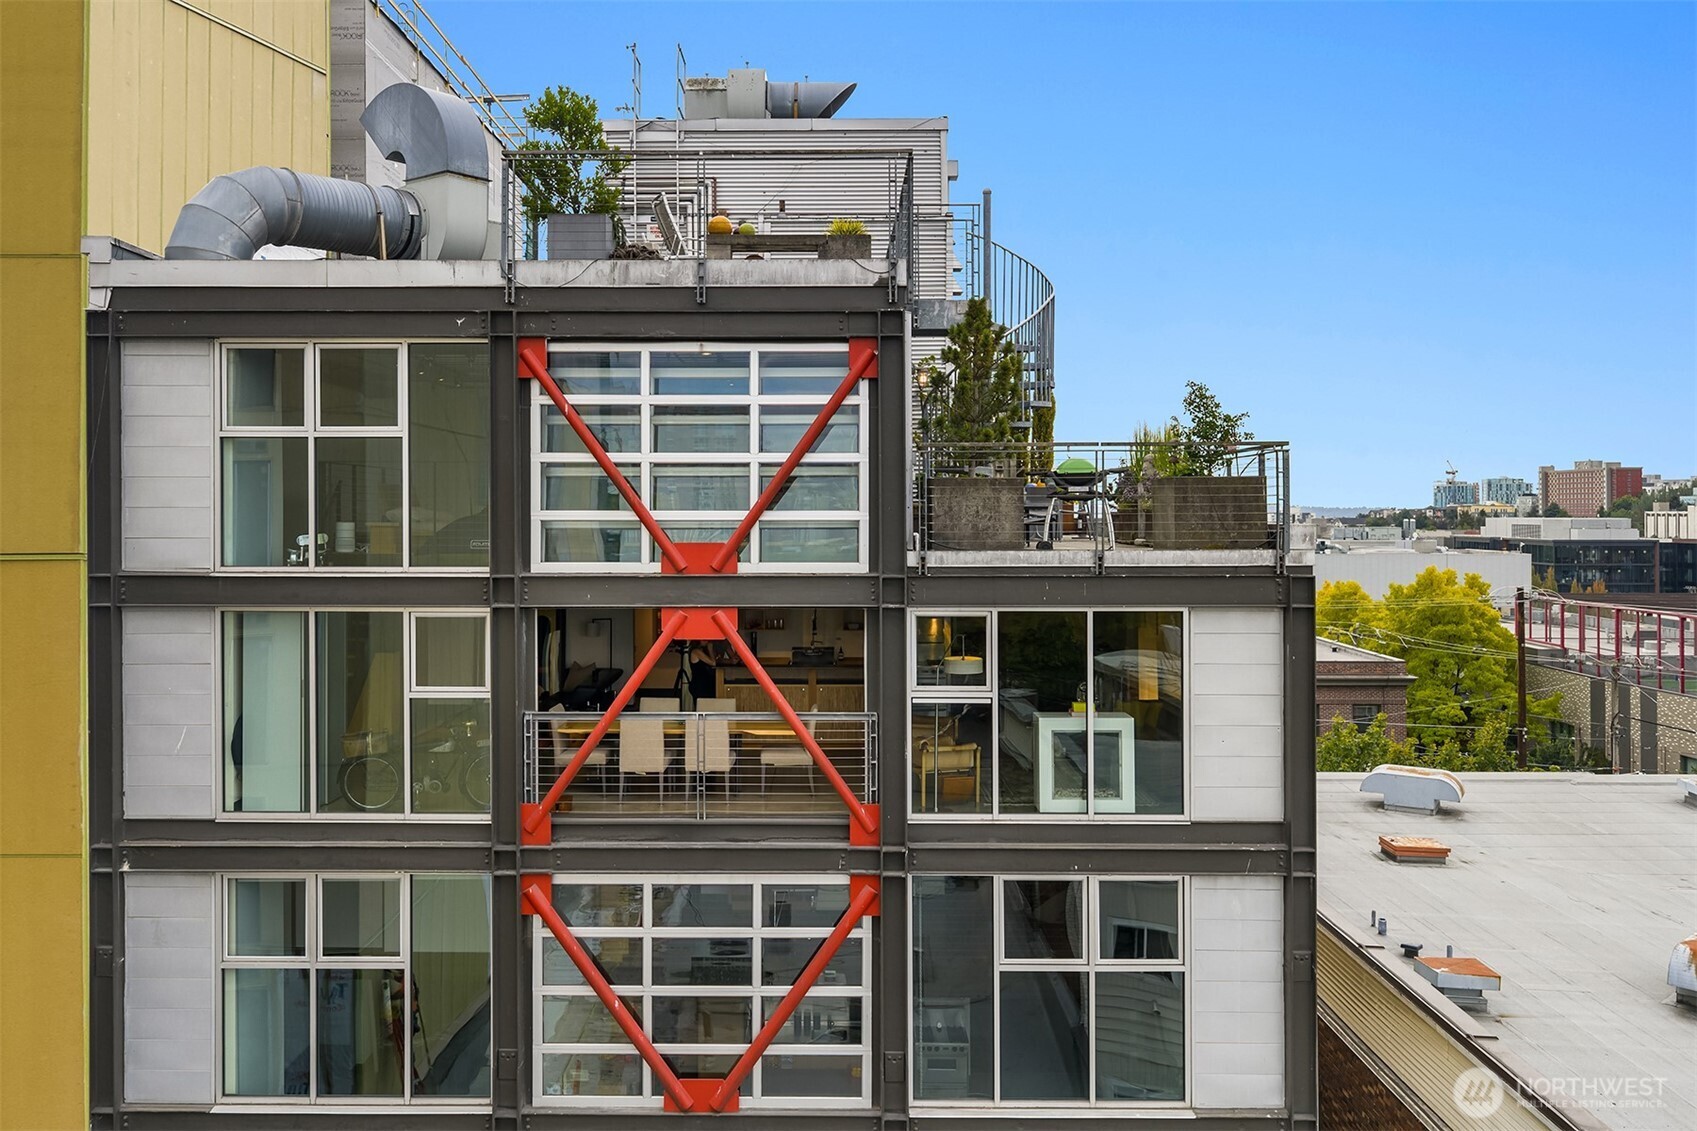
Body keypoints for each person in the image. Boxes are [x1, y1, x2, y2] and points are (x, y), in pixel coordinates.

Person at [679, 642, 719, 709]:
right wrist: (710, 649)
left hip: (707, 684)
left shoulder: (703, 651)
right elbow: (713, 662)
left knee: (709, 707)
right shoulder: (696, 651)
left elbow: (715, 661)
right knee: (702, 708)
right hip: (700, 685)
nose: (707, 641)